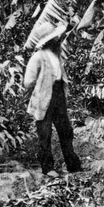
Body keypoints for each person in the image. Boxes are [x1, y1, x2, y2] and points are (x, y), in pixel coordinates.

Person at [23, 22, 82, 177]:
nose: (58, 39)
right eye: (55, 38)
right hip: (44, 99)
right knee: (45, 133)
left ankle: (73, 165)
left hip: (58, 96)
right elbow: (28, 81)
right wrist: (38, 92)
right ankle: (47, 168)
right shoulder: (38, 57)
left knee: (66, 131)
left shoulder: (56, 54)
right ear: (48, 40)